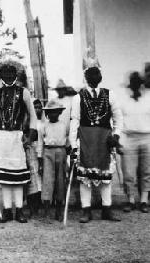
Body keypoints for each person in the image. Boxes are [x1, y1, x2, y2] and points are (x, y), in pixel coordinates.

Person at [69, 62, 123, 223]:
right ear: (86, 78)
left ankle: (107, 209)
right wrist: (73, 144)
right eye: (90, 75)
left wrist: (116, 135)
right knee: (85, 177)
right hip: (86, 139)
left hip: (104, 140)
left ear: (100, 77)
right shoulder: (78, 97)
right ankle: (86, 210)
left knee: (105, 175)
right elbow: (75, 121)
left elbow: (118, 117)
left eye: (96, 74)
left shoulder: (110, 94)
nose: (94, 77)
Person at [0, 61, 38, 224]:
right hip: (0, 138)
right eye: (5, 74)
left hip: (17, 137)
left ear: (16, 76)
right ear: (1, 76)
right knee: (4, 178)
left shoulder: (23, 92)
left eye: (11, 74)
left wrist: (30, 135)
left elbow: (32, 115)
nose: (8, 76)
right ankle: (7, 210)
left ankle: (19, 210)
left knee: (18, 178)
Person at [119, 68, 150, 213]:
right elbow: (118, 122)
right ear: (130, 86)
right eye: (133, 83)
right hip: (129, 138)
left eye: (138, 83)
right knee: (128, 172)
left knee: (146, 171)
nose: (136, 86)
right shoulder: (124, 102)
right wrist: (118, 139)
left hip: (147, 137)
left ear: (142, 85)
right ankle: (130, 200)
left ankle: (144, 200)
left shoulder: (148, 99)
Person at [37, 99, 69, 222]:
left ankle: (58, 211)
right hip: (48, 153)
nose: (53, 114)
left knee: (60, 181)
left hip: (61, 152)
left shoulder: (63, 125)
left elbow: (67, 141)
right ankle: (46, 212)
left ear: (60, 113)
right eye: (50, 112)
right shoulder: (43, 126)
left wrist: (68, 156)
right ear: (47, 114)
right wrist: (40, 161)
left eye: (55, 112)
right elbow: (40, 144)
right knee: (47, 181)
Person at [24, 99, 43, 217]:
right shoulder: (26, 120)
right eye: (34, 107)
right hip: (27, 150)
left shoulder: (41, 123)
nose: (36, 110)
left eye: (38, 107)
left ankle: (37, 206)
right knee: (29, 180)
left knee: (38, 180)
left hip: (38, 152)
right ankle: (31, 207)